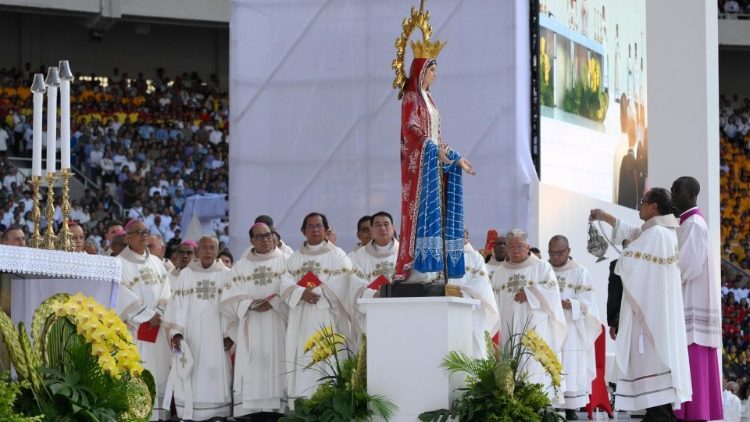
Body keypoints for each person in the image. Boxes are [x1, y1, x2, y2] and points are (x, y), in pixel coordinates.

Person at [590, 188, 692, 421]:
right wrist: (605, 217)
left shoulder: (657, 233)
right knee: (653, 360)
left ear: (654, 206)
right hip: (654, 309)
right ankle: (659, 413)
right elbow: (634, 234)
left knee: (650, 359)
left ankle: (658, 414)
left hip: (650, 312)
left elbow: (629, 260)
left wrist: (625, 249)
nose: (640, 206)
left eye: (643, 202)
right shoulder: (660, 231)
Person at [393, 44, 476, 283]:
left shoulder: (430, 99)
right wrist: (431, 149)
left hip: (433, 165)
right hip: (418, 167)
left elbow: (437, 137)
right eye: (432, 69)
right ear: (421, 71)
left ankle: (436, 267)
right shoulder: (412, 98)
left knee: (438, 211)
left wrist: (456, 157)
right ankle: (418, 267)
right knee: (421, 212)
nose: (435, 74)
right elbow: (411, 130)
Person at [282, 212, 352, 408]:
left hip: (327, 315)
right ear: (303, 231)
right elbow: (284, 283)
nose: (315, 230)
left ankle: (328, 403)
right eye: (311, 226)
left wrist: (318, 293)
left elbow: (344, 281)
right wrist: (300, 293)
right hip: (301, 317)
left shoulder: (337, 255)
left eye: (319, 226)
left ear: (326, 229)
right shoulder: (294, 258)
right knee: (302, 357)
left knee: (327, 357)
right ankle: (303, 403)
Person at [221, 222, 290, 419]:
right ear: (252, 240)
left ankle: (277, 412)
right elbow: (229, 295)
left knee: (278, 367)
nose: (265, 239)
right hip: (250, 323)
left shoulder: (287, 261)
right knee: (253, 370)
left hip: (277, 323)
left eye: (268, 235)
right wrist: (248, 304)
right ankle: (254, 412)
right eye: (259, 236)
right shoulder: (241, 266)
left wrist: (275, 301)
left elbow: (291, 288)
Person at [491, 229, 567, 403]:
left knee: (533, 364)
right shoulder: (500, 272)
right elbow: (493, 301)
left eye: (519, 246)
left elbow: (553, 293)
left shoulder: (541, 267)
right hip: (508, 329)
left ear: (527, 247)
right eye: (511, 246)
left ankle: (537, 402)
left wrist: (530, 294)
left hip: (535, 331)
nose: (514, 250)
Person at [671, 176, 723, 421]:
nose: (673, 196)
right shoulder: (688, 222)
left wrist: (662, 270)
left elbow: (687, 266)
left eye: (677, 191)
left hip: (692, 301)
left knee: (693, 355)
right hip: (692, 298)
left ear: (691, 195)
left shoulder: (693, 223)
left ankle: (694, 412)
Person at [163, 236, 232, 420]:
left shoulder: (226, 274)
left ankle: (217, 414)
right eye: (205, 248)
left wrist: (229, 333)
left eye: (212, 248)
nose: (208, 251)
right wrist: (177, 333)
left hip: (217, 336)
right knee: (192, 375)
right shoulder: (187, 274)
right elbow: (178, 304)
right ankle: (191, 414)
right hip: (191, 336)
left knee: (215, 374)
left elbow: (230, 307)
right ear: (198, 251)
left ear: (217, 251)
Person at [115, 219, 171, 420]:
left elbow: (167, 291)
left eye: (146, 231)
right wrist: (148, 315)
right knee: (140, 371)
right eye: (139, 232)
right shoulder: (119, 264)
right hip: (136, 330)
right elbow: (121, 295)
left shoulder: (157, 262)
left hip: (158, 328)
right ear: (127, 237)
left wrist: (160, 312)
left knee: (160, 371)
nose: (144, 235)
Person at [548, 235, 602, 420]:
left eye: (559, 253)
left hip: (572, 328)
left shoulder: (580, 272)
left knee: (570, 365)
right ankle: (550, 406)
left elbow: (588, 299)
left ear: (568, 251)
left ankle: (570, 408)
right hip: (549, 328)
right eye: (551, 253)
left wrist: (572, 303)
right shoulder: (543, 269)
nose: (555, 257)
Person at [348, 212, 399, 350]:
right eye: (377, 225)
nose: (382, 228)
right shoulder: (359, 256)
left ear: (393, 228)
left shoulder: (404, 253)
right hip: (371, 313)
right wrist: (375, 294)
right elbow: (355, 283)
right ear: (371, 230)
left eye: (386, 224)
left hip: (399, 311)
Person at [448, 228, 500, 358]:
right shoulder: (443, 254)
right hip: (446, 307)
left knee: (473, 347)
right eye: (458, 231)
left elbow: (482, 284)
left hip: (471, 310)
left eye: (465, 232)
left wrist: (460, 291)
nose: (462, 235)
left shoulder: (475, 257)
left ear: (468, 236)